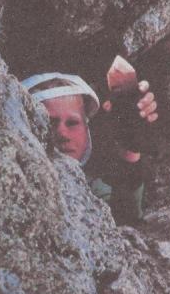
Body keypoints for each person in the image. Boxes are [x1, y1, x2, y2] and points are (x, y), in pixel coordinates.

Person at [21, 70, 158, 225]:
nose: (63, 134)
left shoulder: (91, 188)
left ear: (87, 130)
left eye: (72, 123)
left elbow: (123, 221)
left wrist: (130, 150)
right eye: (50, 122)